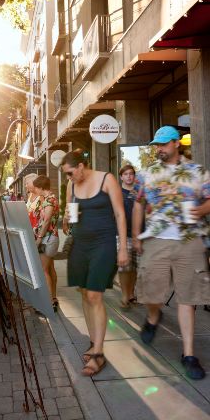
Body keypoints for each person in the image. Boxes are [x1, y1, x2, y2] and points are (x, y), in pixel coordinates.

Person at [132, 125, 210, 380]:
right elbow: (138, 205)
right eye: (156, 144)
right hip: (156, 240)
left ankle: (189, 355)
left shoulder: (197, 172)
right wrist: (134, 236)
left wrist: (200, 210)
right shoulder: (146, 174)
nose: (159, 148)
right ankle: (154, 316)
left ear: (177, 143)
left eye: (163, 144)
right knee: (150, 292)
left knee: (187, 298)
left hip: (190, 240)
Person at [61, 150, 128, 377]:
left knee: (94, 295)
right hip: (80, 244)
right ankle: (93, 342)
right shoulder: (71, 186)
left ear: (81, 166)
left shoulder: (106, 179)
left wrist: (123, 248)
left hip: (103, 244)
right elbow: (70, 211)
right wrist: (66, 218)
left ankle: (98, 354)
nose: (69, 178)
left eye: (70, 173)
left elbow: (120, 214)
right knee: (83, 293)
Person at [32, 175, 60, 312]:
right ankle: (53, 299)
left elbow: (47, 220)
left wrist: (39, 237)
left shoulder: (49, 200)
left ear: (41, 187)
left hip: (48, 238)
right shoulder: (51, 198)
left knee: (44, 271)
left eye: (36, 187)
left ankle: (49, 304)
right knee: (50, 269)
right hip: (51, 238)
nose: (35, 190)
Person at [118, 164, 138, 308]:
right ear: (121, 177)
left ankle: (131, 293)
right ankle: (125, 294)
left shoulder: (139, 193)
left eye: (131, 174)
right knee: (125, 266)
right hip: (121, 234)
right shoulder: (117, 192)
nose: (129, 176)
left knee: (135, 266)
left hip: (139, 234)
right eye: (126, 174)